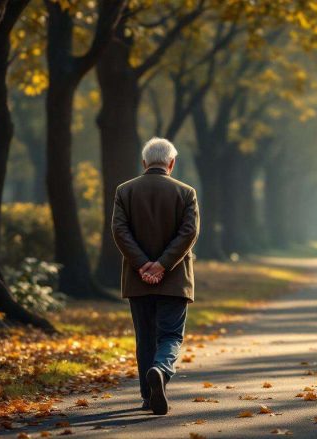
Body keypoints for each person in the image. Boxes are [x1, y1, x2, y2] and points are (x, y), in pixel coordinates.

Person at [111, 137, 200, 415]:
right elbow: (188, 233)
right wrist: (162, 265)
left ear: (144, 163)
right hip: (174, 279)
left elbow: (119, 231)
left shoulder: (124, 191)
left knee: (145, 337)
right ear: (171, 163)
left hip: (138, 280)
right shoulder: (186, 193)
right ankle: (161, 370)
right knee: (171, 335)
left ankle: (148, 397)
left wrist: (142, 265)